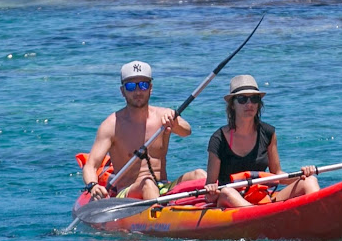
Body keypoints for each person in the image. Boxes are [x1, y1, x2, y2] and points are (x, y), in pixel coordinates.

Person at [82, 60, 206, 200]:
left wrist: (174, 123)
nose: (138, 91)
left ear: (150, 88)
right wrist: (93, 186)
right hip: (129, 192)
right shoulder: (112, 125)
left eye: (143, 85)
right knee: (146, 183)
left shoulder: (163, 116)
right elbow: (90, 166)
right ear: (122, 91)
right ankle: (160, 216)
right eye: (130, 86)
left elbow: (187, 131)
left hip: (162, 187)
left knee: (200, 175)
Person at [204, 74, 319, 208]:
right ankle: (258, 217)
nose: (249, 104)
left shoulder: (268, 133)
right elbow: (209, 194)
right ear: (232, 105)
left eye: (254, 99)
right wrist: (212, 190)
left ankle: (320, 217)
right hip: (231, 200)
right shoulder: (218, 139)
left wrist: (302, 175)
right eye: (242, 99)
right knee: (227, 192)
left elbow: (277, 174)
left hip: (261, 196)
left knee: (310, 181)